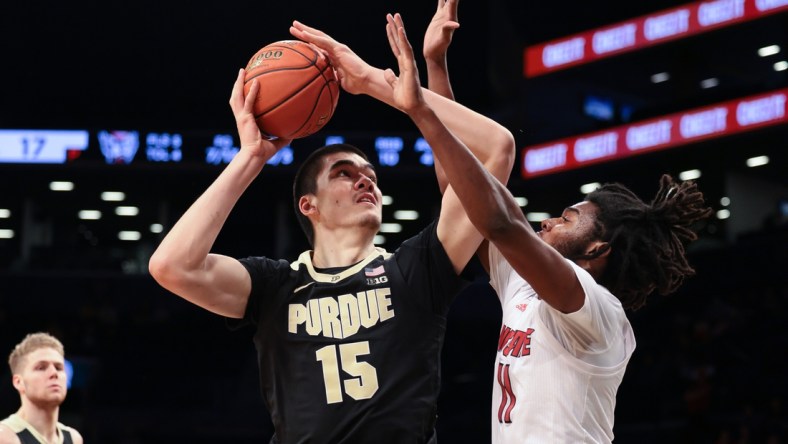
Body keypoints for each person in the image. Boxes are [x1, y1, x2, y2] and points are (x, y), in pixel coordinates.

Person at [147, 9, 515, 443]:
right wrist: (250, 158)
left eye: (371, 176)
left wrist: (380, 85)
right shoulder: (275, 287)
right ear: (308, 205)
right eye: (344, 173)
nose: (365, 179)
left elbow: (496, 148)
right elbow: (171, 266)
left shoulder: (417, 270)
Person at [359, 12, 713, 443]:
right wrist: (437, 65)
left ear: (599, 247)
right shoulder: (526, 289)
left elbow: (501, 222)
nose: (548, 220)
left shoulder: (596, 308)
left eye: (567, 219)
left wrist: (420, 111)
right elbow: (462, 197)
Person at [0, 333, 83, 444]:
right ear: (18, 382)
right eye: (41, 368)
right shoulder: (5, 437)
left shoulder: (74, 438)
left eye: (58, 368)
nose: (54, 373)